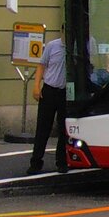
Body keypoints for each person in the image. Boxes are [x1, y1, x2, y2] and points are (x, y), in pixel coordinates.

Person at [26, 36, 68, 175]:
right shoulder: (52, 46)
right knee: (43, 127)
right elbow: (41, 65)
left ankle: (61, 161)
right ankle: (36, 161)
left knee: (64, 128)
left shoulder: (80, 45)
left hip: (66, 92)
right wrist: (36, 86)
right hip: (50, 89)